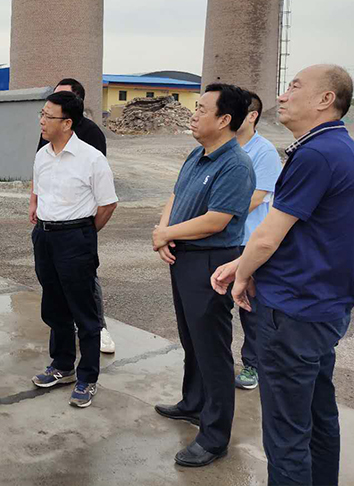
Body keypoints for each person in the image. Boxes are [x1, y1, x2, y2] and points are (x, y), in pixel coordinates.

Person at [212, 65, 354, 486]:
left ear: (326, 99)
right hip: (323, 310)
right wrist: (242, 264)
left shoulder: (315, 154)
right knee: (319, 416)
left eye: (294, 87)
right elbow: (310, 235)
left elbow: (269, 237)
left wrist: (242, 276)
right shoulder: (349, 152)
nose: (282, 96)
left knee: (286, 434)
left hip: (293, 313)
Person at [151, 84, 254, 467]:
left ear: (224, 119)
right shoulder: (197, 155)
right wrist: (163, 232)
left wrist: (168, 234)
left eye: (201, 109)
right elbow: (175, 197)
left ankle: (214, 437)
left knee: (212, 349)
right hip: (185, 257)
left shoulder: (235, 164)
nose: (193, 116)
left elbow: (217, 220)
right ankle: (193, 403)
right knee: (191, 339)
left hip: (212, 262)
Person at [30, 91, 118, 408]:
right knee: (54, 306)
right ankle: (62, 365)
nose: (42, 121)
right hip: (45, 237)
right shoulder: (42, 155)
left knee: (84, 311)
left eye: (48, 116)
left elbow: (108, 204)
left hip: (75, 238)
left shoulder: (92, 159)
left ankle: (87, 378)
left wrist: (82, 234)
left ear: (67, 123)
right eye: (42, 114)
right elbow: (39, 192)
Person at [233, 91, 283, 390]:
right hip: (222, 239)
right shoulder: (223, 145)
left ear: (252, 116)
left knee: (251, 308)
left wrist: (217, 216)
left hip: (248, 241)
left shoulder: (264, 152)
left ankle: (253, 365)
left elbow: (257, 197)